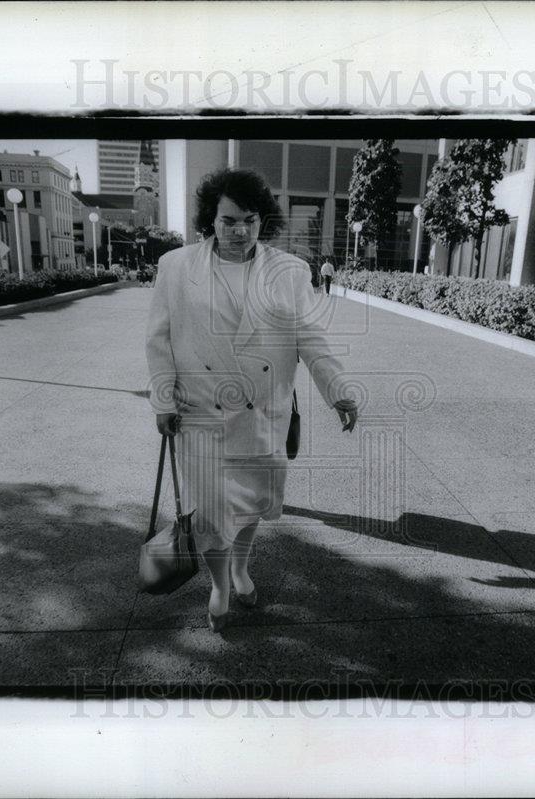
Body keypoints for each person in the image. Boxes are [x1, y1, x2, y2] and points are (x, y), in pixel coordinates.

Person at [145, 168, 359, 633]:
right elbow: (158, 340)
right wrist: (163, 400)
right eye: (228, 220)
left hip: (262, 414)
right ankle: (221, 585)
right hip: (199, 416)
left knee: (250, 507)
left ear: (263, 221)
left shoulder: (290, 272)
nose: (239, 230)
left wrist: (337, 389)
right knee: (209, 514)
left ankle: (242, 569)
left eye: (249, 220)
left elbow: (311, 339)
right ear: (210, 220)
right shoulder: (176, 267)